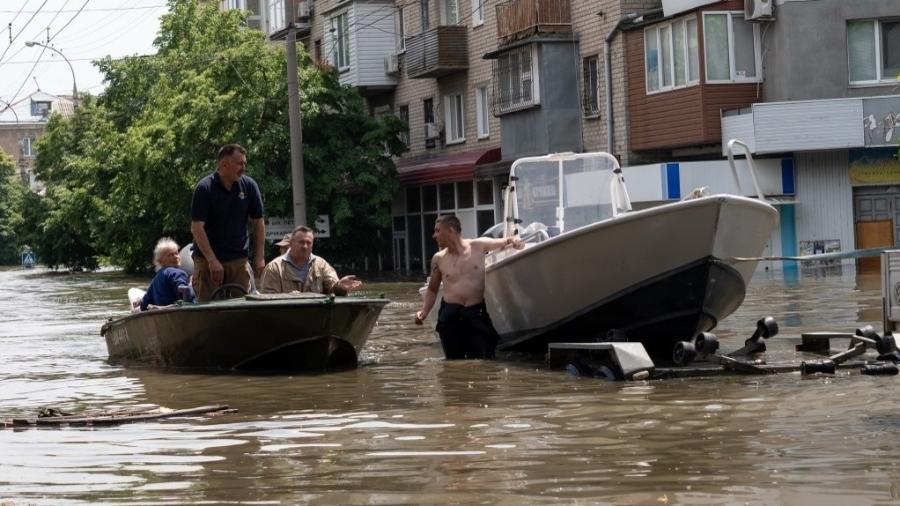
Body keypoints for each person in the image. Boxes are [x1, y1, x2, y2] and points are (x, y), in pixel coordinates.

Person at [415, 214, 524, 359]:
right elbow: (432, 289)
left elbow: (506, 241)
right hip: (450, 314)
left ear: (450, 231)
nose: (434, 235)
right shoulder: (438, 259)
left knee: (485, 357)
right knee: (454, 362)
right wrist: (424, 312)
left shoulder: (478, 246)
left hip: (475, 312)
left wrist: (516, 242)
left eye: (437, 231)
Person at [190, 144, 266, 301]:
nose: (243, 167)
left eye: (245, 163)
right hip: (207, 260)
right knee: (208, 308)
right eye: (239, 163)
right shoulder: (205, 188)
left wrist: (260, 256)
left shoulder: (249, 186)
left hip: (238, 259)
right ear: (224, 164)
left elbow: (258, 222)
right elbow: (197, 228)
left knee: (244, 307)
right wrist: (212, 260)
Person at [260, 225, 363, 295]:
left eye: (308, 243)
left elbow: (333, 288)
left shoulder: (321, 265)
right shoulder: (274, 268)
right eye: (301, 242)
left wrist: (340, 287)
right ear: (291, 244)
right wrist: (290, 298)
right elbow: (268, 300)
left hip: (316, 318)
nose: (305, 246)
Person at [137, 237, 196, 311]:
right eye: (170, 255)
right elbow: (187, 295)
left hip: (161, 314)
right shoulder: (176, 273)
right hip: (176, 313)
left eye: (176, 253)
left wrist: (139, 304)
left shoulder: (155, 279)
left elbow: (144, 304)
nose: (175, 257)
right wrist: (191, 284)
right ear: (161, 261)